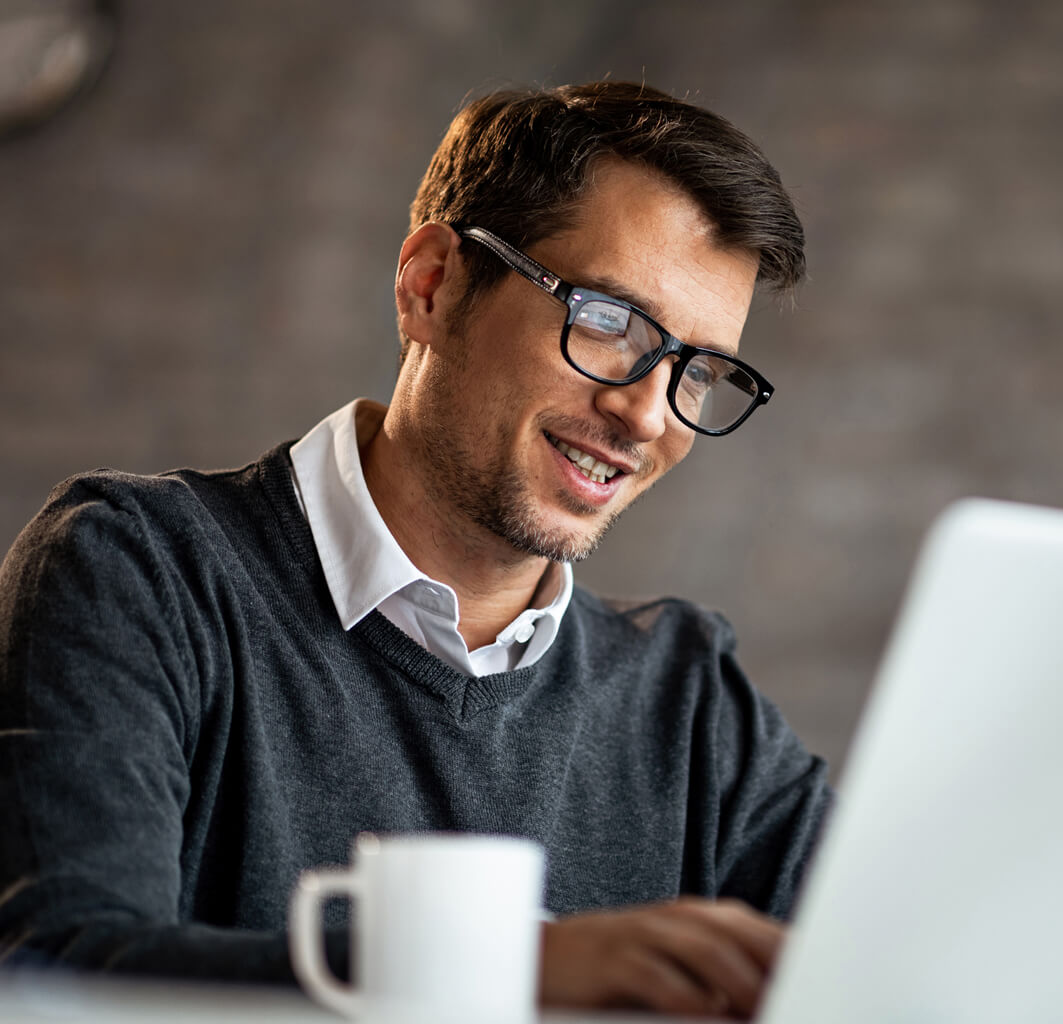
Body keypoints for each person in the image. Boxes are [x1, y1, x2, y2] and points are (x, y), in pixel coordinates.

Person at [0, 82, 831, 1019]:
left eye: (699, 371)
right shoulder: (134, 571)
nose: (645, 413)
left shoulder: (690, 705)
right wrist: (500, 975)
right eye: (607, 321)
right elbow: (57, 970)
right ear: (431, 285)